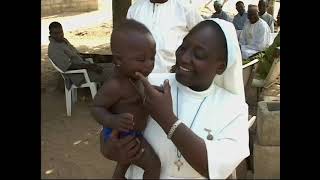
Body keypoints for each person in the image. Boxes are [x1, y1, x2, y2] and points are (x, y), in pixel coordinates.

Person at [98, 18, 250, 179]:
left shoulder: (234, 108)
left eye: (198, 54)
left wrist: (167, 119)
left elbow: (211, 167)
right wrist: (109, 148)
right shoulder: (150, 84)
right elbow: (109, 129)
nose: (184, 58)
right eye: (183, 47)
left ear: (220, 66)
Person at [91, 19, 161, 179]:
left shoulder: (137, 77)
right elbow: (96, 108)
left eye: (153, 57)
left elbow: (140, 95)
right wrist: (112, 120)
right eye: (141, 59)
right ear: (118, 60)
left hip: (133, 132)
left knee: (124, 163)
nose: (149, 64)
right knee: (153, 166)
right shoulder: (115, 85)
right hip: (123, 135)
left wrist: (155, 91)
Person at [126, 0, 203, 73]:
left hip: (174, 77)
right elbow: (127, 43)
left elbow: (203, 37)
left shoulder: (184, 8)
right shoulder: (135, 9)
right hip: (139, 78)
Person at [48, 21, 113, 89]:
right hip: (80, 75)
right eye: (56, 33)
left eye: (61, 32)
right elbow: (69, 66)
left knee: (115, 66)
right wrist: (90, 66)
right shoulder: (54, 49)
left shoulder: (63, 41)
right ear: (51, 34)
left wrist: (91, 60)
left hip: (85, 67)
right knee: (115, 72)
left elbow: (76, 54)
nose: (59, 35)